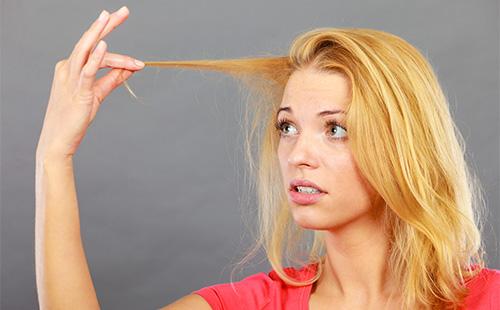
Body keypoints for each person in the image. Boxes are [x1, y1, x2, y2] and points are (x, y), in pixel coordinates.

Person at [34, 6, 500, 310]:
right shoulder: (250, 304)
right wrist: (55, 154)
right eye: (287, 127)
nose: (298, 154)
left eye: (335, 129)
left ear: (404, 148)